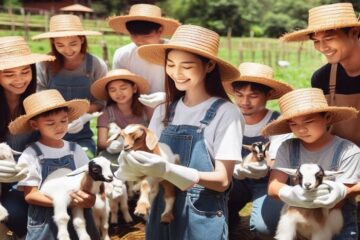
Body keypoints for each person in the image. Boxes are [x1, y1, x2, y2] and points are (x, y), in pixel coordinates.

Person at [116, 24, 244, 240]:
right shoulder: (163, 111)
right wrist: (128, 166)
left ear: (209, 65)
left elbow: (222, 181)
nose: (177, 73)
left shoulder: (226, 113)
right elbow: (149, 163)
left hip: (201, 211)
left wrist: (170, 170)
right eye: (171, 65)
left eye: (187, 66)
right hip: (161, 208)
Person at [263, 88, 360, 240]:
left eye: (308, 121)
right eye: (293, 124)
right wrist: (293, 194)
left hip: (335, 224)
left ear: (327, 117)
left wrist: (339, 191)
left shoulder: (348, 150)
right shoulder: (287, 148)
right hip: (298, 223)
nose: (301, 129)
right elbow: (273, 187)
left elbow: (345, 194)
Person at [9, 89, 100, 240]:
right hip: (46, 221)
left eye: (63, 121)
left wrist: (90, 199)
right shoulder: (30, 155)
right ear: (34, 124)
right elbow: (31, 194)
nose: (59, 127)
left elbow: (88, 183)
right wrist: (64, 202)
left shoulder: (75, 150)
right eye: (50, 123)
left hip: (78, 214)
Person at [222, 62, 293, 236]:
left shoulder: (278, 123)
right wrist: (235, 170)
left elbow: (277, 160)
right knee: (213, 218)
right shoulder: (226, 118)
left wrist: (265, 164)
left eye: (253, 96)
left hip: (268, 181)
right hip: (234, 180)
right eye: (239, 95)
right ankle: (229, 217)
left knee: (266, 227)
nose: (244, 102)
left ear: (268, 94)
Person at [281, 2, 360, 147]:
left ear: (354, 32)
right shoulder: (322, 77)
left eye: (329, 39)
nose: (322, 47)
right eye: (316, 41)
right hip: (340, 160)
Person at [0, 36, 54, 239]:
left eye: (25, 71)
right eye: (9, 74)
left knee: (25, 214)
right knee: (13, 216)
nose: (20, 79)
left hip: (27, 173)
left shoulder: (38, 99)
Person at [33, 14, 108, 157]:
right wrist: (61, 120)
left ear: (82, 39)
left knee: (87, 164)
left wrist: (81, 116)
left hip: (81, 134)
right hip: (47, 134)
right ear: (53, 42)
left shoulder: (96, 65)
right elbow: (39, 101)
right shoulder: (44, 64)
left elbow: (100, 102)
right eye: (60, 45)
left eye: (73, 44)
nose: (67, 50)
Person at [109, 3, 180, 109]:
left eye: (147, 36)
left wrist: (168, 97)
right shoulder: (123, 55)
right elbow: (117, 86)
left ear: (160, 31)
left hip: (171, 109)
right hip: (136, 112)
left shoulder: (176, 52)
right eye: (134, 35)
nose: (139, 41)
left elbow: (190, 88)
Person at [90, 69, 150, 160]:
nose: (118, 93)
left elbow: (156, 135)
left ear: (134, 88)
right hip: (116, 156)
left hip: (144, 153)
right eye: (113, 90)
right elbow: (101, 142)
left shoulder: (147, 109)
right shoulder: (106, 113)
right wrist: (113, 145)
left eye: (123, 88)